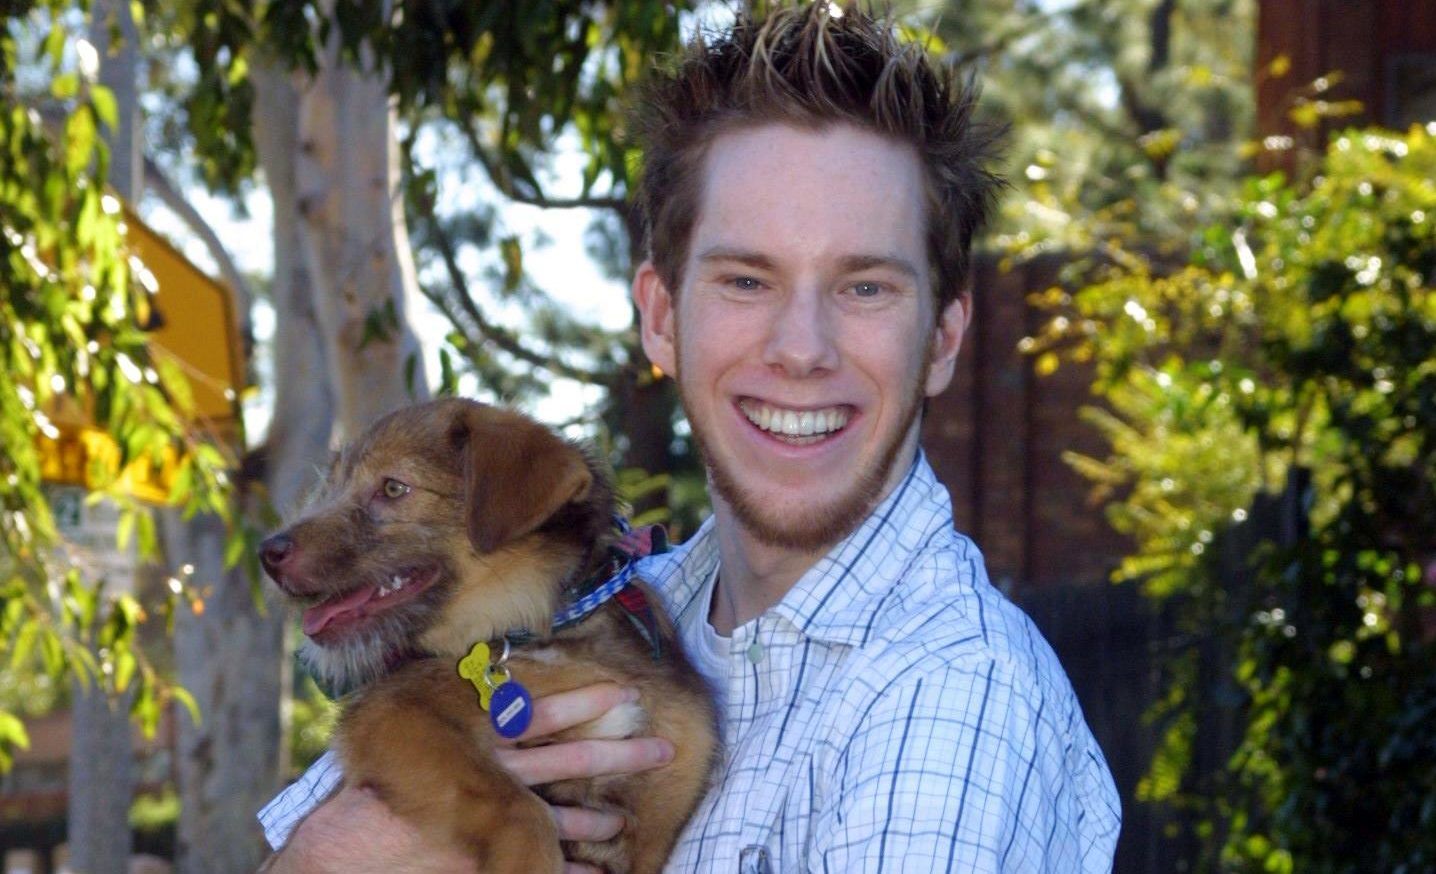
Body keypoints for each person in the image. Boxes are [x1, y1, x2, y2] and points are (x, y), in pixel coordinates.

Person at [259, 3, 1121, 871]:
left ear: (941, 339)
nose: (801, 349)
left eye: (865, 288)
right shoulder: (606, 598)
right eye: (747, 280)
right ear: (662, 318)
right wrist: (329, 855)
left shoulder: (950, 699)